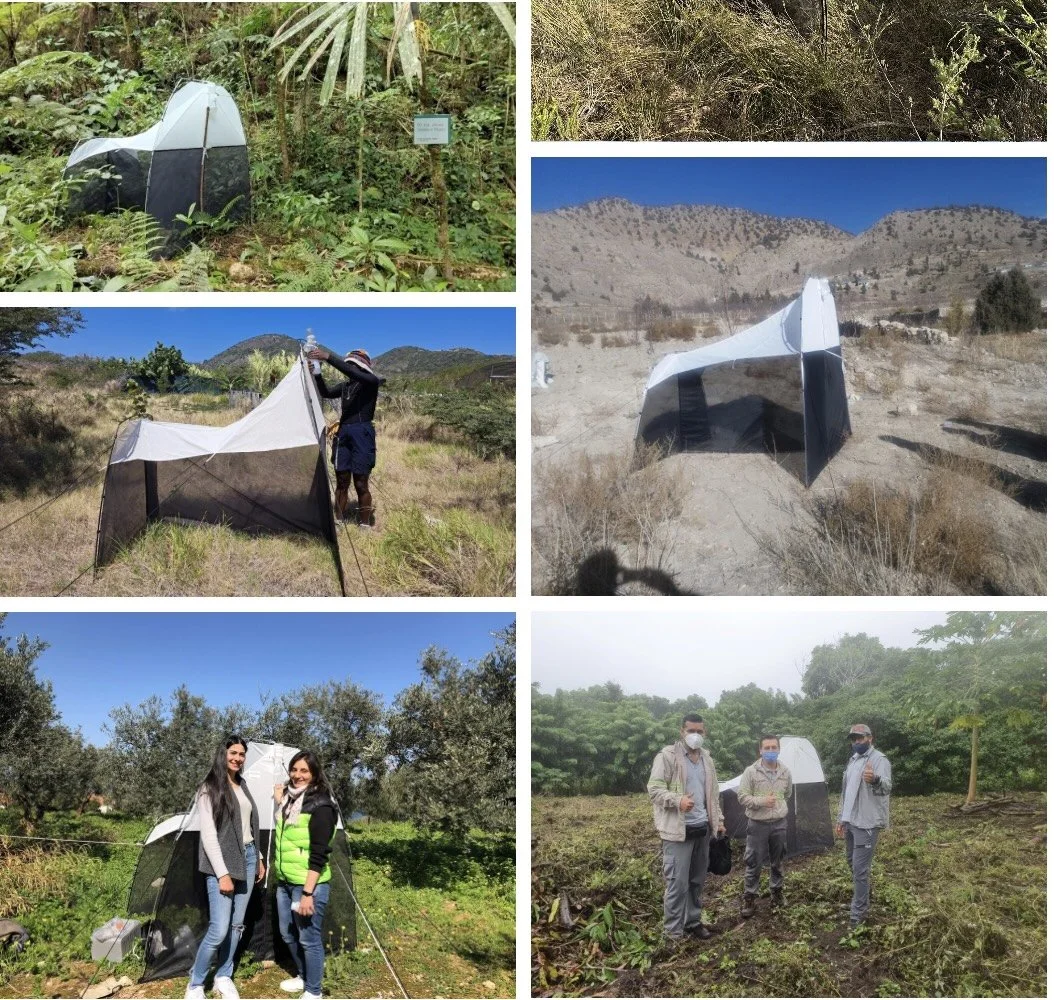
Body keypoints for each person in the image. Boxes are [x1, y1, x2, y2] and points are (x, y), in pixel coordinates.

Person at [185, 736, 265, 1000]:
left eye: (242, 754)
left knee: (237, 925)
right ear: (223, 753)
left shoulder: (243, 784)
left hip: (249, 857)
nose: (238, 758)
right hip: (222, 863)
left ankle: (223, 975)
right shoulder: (208, 788)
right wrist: (222, 874)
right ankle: (195, 983)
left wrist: (259, 857)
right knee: (219, 929)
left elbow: (249, 826)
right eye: (233, 753)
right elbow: (208, 836)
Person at [647, 713, 725, 942]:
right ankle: (672, 932)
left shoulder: (707, 759)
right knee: (677, 884)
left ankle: (693, 922)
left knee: (696, 881)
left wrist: (719, 820)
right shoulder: (667, 756)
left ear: (705, 732)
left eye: (700, 731)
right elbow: (654, 790)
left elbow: (713, 794)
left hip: (702, 828)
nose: (695, 735)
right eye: (691, 731)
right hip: (677, 831)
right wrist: (677, 800)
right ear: (682, 731)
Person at [273, 751, 339, 1000]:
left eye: (304, 771)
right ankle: (304, 976)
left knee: (309, 938)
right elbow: (290, 836)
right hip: (285, 882)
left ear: (314, 774)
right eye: (294, 769)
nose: (297, 775)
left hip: (307, 885)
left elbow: (319, 854)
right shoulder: (290, 801)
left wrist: (308, 893)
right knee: (287, 932)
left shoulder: (321, 806)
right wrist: (279, 801)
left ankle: (314, 991)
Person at [305, 346, 384, 527]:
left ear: (363, 367)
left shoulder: (371, 382)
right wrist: (317, 374)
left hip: (362, 434)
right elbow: (325, 393)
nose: (351, 368)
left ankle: (364, 524)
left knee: (361, 482)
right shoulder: (345, 387)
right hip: (343, 434)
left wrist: (328, 357)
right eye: (349, 364)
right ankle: (339, 521)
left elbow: (351, 372)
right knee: (342, 480)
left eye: (354, 365)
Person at [835, 724, 892, 928]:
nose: (857, 742)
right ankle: (863, 896)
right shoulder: (853, 760)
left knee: (859, 869)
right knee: (851, 862)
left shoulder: (879, 760)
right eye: (854, 739)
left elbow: (887, 787)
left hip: (867, 822)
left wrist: (875, 779)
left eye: (861, 738)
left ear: (870, 738)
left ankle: (858, 913)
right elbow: (846, 793)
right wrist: (841, 818)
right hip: (851, 820)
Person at [737, 734, 793, 917]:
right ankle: (749, 897)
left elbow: (787, 794)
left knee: (778, 861)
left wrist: (777, 808)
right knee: (753, 862)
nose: (770, 751)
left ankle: (776, 892)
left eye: (773, 747)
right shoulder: (751, 772)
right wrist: (762, 802)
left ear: (778, 749)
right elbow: (742, 797)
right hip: (757, 824)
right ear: (760, 750)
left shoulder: (785, 772)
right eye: (766, 748)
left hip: (779, 823)